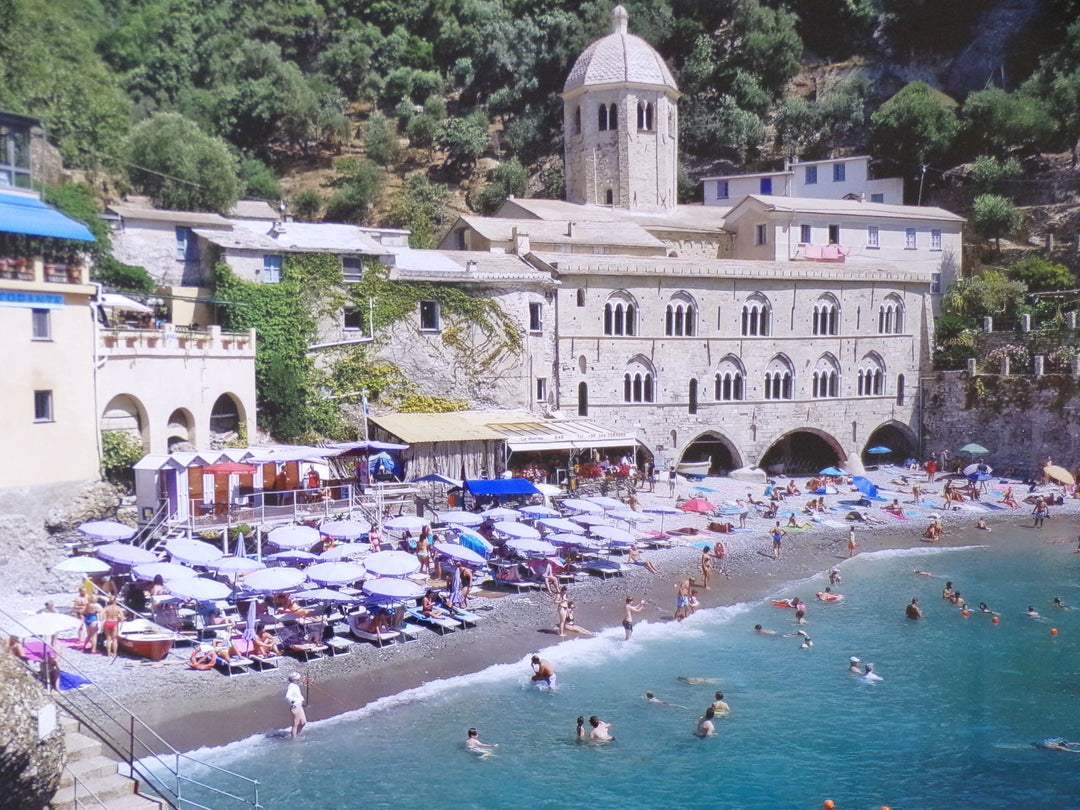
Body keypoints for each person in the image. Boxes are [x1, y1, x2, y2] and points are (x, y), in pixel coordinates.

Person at [285, 672, 306, 739]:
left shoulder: (295, 686)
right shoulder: (291, 686)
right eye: (297, 679)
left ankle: (297, 734)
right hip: (295, 706)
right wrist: (293, 701)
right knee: (296, 724)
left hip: (299, 705)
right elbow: (288, 696)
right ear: (294, 679)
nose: (299, 680)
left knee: (303, 722)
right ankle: (294, 739)